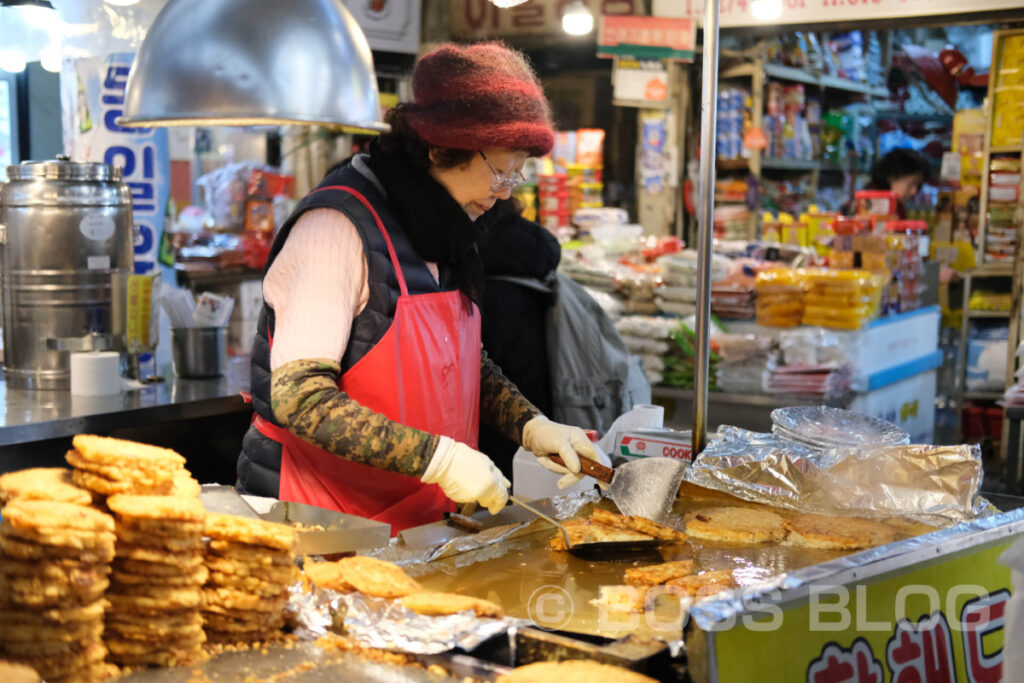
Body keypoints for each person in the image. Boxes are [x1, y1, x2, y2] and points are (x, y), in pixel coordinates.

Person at [236, 42, 600, 533]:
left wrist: (532, 426)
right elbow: (301, 399)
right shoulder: (336, 227)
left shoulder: (445, 224)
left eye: (519, 170)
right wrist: (442, 460)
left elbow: (456, 362)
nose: (507, 191)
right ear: (439, 150)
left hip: (418, 523)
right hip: (321, 520)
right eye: (499, 170)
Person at [476, 199, 561, 480]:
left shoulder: (474, 258)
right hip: (535, 399)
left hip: (495, 422)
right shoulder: (535, 248)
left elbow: (476, 367)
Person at [843, 148, 930, 216]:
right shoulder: (871, 202)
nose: (914, 191)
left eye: (918, 186)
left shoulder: (895, 204)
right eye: (910, 184)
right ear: (891, 178)